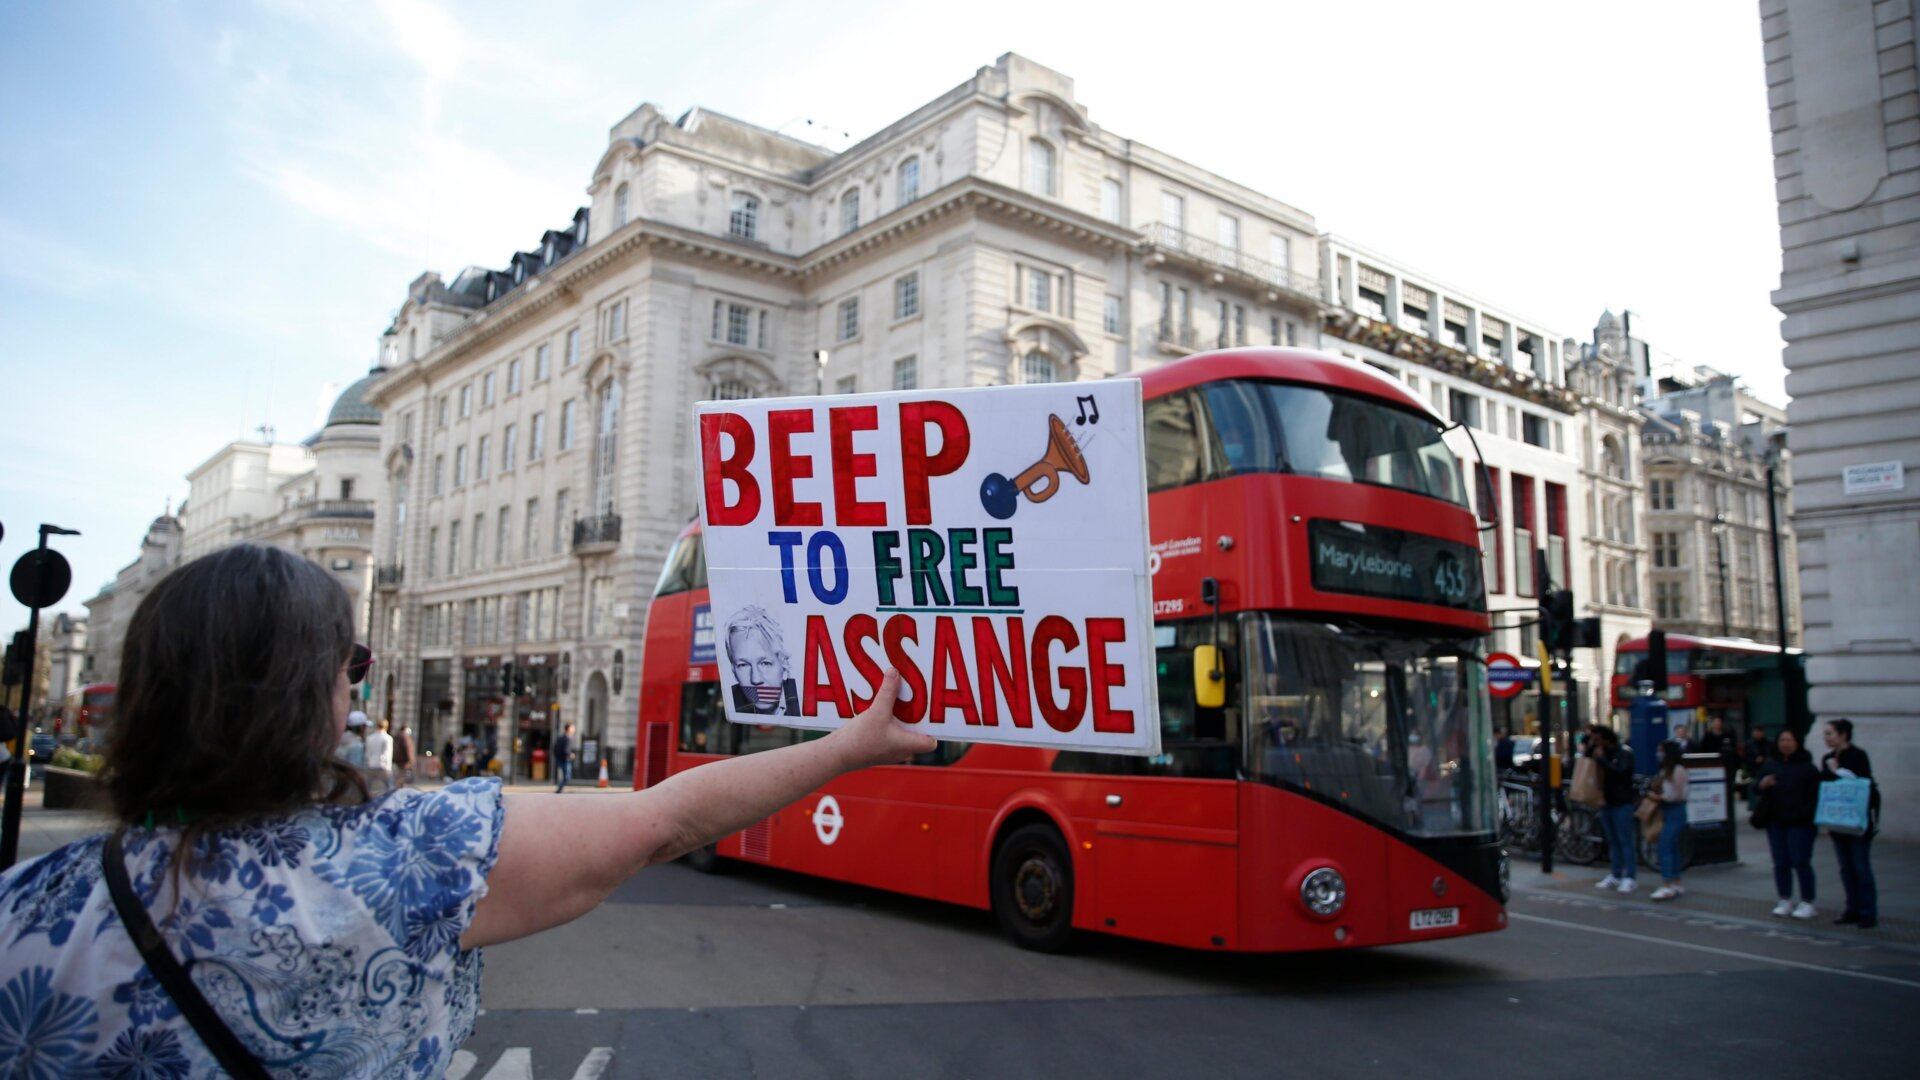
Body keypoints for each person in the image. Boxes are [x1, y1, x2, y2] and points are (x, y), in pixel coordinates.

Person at [0, 543, 933, 1075]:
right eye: (350, 666)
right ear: (307, 692)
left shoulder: (27, 907)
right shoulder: (410, 859)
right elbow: (662, 820)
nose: (354, 688)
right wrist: (848, 745)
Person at [1820, 718, 1879, 929]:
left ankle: (1868, 911)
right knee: (1846, 867)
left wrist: (1839, 771)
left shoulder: (1858, 755)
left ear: (1843, 735)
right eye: (1826, 734)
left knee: (1861, 866)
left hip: (1856, 822)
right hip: (1838, 821)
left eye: (1830, 733)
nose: (1826, 737)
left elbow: (1862, 784)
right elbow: (1826, 788)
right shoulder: (1827, 758)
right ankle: (1852, 908)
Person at [1755, 729, 1819, 919]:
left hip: (1800, 822)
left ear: (1797, 742)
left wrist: (1805, 814)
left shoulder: (1808, 768)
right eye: (1782, 740)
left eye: (1790, 740)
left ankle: (1807, 901)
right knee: (1780, 861)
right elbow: (1756, 787)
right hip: (1776, 821)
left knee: (1801, 861)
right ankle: (1784, 898)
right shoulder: (1771, 765)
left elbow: (1815, 796)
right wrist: (1762, 785)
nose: (1785, 744)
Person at [1586, 725, 1639, 894]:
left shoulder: (1624, 753)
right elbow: (1586, 759)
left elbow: (1621, 773)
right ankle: (1616, 873)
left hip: (1622, 802)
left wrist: (1602, 760)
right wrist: (1592, 747)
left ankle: (1629, 876)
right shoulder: (1601, 751)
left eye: (1597, 738)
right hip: (1606, 801)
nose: (1595, 742)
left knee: (1625, 841)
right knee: (1613, 840)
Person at [1650, 739, 1691, 900]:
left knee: (1665, 847)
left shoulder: (1677, 770)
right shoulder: (1667, 770)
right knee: (1672, 848)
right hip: (1670, 810)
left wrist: (1658, 796)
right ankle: (1676, 882)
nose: (1659, 754)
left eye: (1661, 750)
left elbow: (1676, 794)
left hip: (1675, 810)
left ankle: (1668, 883)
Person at [365, 717, 396, 795]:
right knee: (389, 787)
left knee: (368, 787)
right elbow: (387, 753)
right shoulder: (388, 738)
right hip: (382, 765)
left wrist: (368, 762)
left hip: (371, 764)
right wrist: (388, 768)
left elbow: (367, 752)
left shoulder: (370, 738)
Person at [553, 722, 577, 794]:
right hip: (565, 760)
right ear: (569, 729)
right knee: (567, 776)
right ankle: (559, 789)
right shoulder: (567, 739)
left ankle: (559, 788)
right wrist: (571, 755)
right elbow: (566, 750)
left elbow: (555, 748)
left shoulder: (561, 737)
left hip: (560, 759)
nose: (574, 729)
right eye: (573, 728)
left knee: (565, 776)